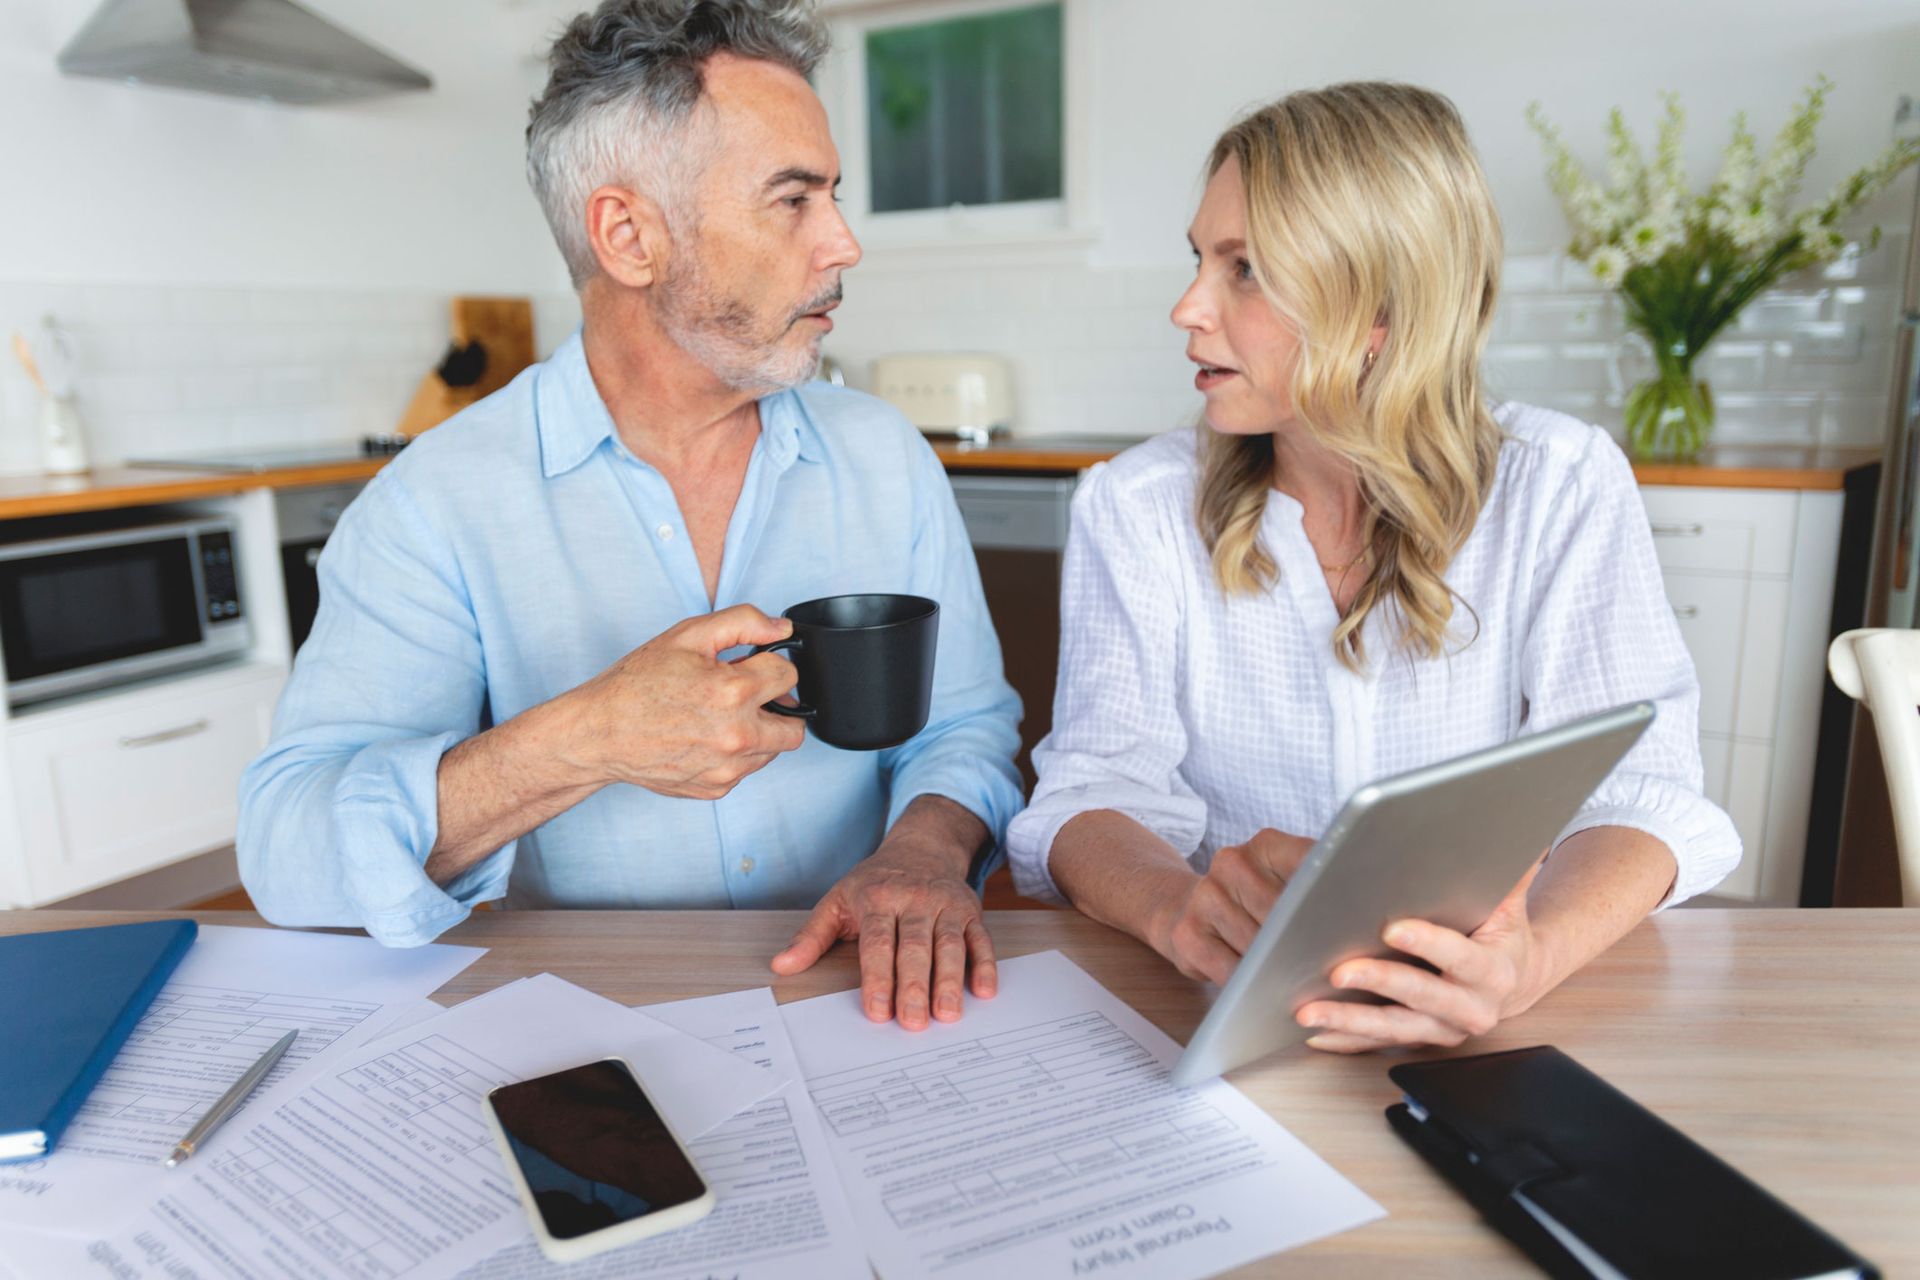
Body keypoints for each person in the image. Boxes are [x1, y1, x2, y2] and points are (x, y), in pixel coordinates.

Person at [238, 0, 1023, 1032]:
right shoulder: (432, 504)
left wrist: (922, 851)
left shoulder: (887, 458)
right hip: (583, 1030)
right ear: (628, 234)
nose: (844, 243)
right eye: (792, 200)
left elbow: (968, 725)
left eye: (834, 195)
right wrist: (586, 737)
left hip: (857, 1003)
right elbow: (284, 853)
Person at [1005, 82, 1740, 1053]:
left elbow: (1643, 791)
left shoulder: (1560, 487)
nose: (1188, 307)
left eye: (1246, 270)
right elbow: (1091, 794)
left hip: (1494, 1039)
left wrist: (1528, 961)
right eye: (1200, 259)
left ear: (1382, 310)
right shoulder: (1135, 508)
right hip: (1220, 1028)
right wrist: (1178, 911)